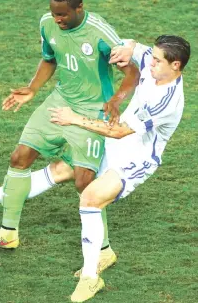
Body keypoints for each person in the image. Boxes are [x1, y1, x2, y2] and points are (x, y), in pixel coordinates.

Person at [0, 0, 139, 250]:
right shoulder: (47, 23)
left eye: (63, 14)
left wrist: (116, 99)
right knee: (19, 157)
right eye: (54, 12)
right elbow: (50, 58)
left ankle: (103, 250)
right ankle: (8, 232)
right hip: (59, 102)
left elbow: (132, 72)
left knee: (84, 183)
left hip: (92, 111)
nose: (57, 19)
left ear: (79, 7)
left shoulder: (99, 32)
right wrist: (32, 89)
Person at [48, 35, 191, 302]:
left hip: (136, 159)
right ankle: (0, 216)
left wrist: (74, 119)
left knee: (90, 198)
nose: (150, 63)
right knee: (63, 170)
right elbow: (136, 46)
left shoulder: (166, 102)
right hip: (117, 143)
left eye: (158, 61)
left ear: (176, 66)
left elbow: (119, 132)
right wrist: (124, 48)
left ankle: (91, 278)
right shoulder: (154, 58)